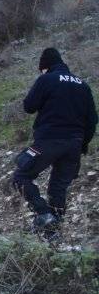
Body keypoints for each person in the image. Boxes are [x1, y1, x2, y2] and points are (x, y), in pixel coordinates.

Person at [12, 47, 97, 237]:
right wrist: (83, 144)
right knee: (58, 188)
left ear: (45, 67)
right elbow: (92, 120)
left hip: (49, 140)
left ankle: (44, 213)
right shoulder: (83, 85)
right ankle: (54, 234)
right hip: (74, 144)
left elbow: (29, 106)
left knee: (21, 177)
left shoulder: (47, 79)